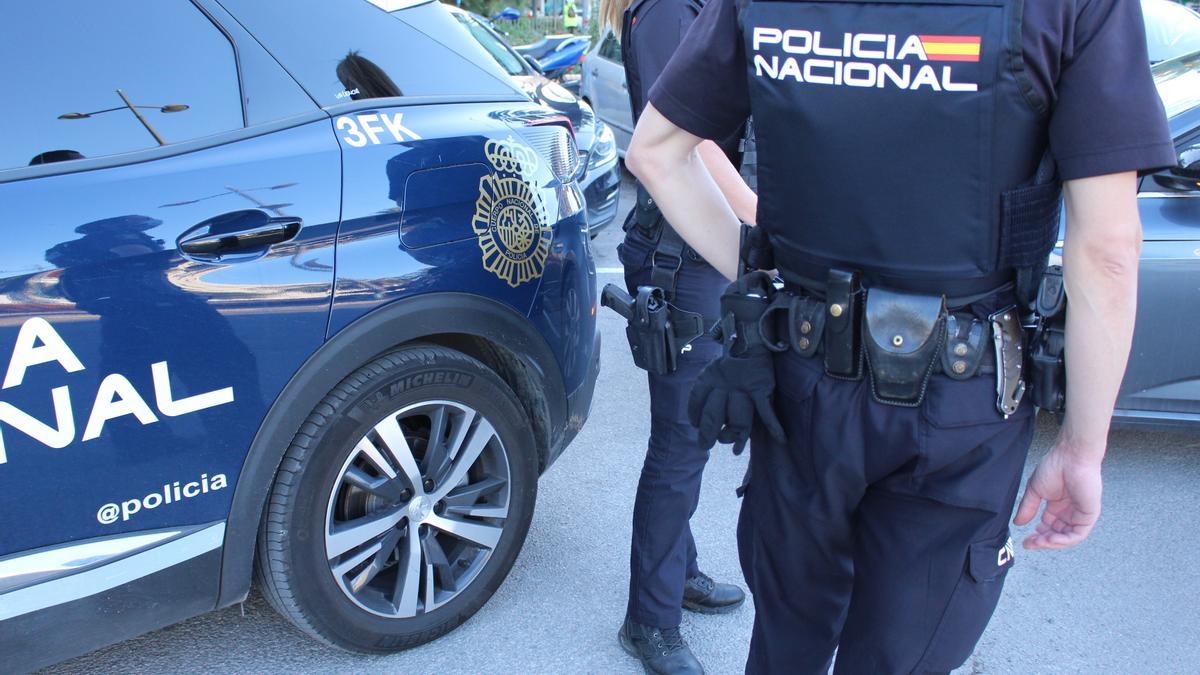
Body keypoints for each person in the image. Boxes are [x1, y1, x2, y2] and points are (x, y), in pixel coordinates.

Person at [625, 0, 1174, 672]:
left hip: (803, 379)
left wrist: (773, 282)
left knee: (786, 642)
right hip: (961, 403)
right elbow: (1107, 250)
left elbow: (656, 151)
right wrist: (1083, 448)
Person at [598, 0, 758, 672]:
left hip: (691, 250)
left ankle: (677, 571)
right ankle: (649, 620)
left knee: (687, 431)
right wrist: (761, 224)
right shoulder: (668, 10)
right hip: (682, 256)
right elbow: (689, 143)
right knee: (680, 442)